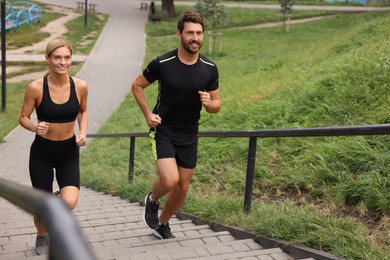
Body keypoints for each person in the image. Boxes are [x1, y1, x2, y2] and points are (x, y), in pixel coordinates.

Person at [131, 11, 221, 239]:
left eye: (199, 33)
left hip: (190, 132)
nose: (195, 38)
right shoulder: (163, 63)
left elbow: (216, 103)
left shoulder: (209, 67)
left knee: (183, 186)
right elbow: (137, 85)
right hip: (164, 129)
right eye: (190, 33)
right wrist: (147, 114)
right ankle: (152, 199)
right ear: (178, 34)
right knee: (170, 180)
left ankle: (162, 223)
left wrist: (210, 104)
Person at [19, 37, 88, 255]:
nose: (62, 62)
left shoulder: (81, 86)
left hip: (68, 152)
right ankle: (42, 236)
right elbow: (23, 117)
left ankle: (54, 202)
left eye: (67, 57)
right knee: (41, 205)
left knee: (69, 201)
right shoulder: (36, 88)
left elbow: (83, 111)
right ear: (47, 59)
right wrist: (34, 127)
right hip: (42, 153)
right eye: (57, 57)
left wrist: (83, 132)